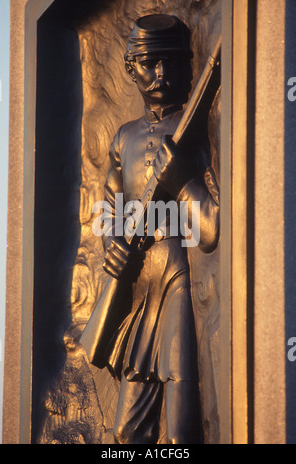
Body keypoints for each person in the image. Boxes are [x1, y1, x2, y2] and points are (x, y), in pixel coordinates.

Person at [98, 14, 219, 444]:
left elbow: (211, 228)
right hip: (139, 289)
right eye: (150, 62)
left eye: (172, 61)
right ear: (131, 67)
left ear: (189, 65)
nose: (162, 74)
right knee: (126, 433)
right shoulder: (123, 138)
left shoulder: (200, 132)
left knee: (182, 426)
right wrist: (113, 244)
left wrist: (183, 183)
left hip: (180, 281)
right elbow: (110, 211)